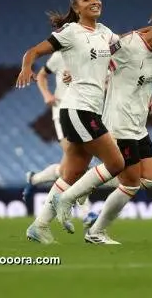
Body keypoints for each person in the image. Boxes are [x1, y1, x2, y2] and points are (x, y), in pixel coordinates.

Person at [53, 13, 152, 244]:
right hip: (120, 121)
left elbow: (141, 75)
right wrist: (75, 72)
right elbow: (97, 54)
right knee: (131, 183)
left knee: (151, 180)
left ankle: (86, 182)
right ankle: (88, 221)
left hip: (139, 124)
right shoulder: (128, 44)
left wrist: (149, 94)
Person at [16, 0, 125, 244]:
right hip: (77, 109)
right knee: (117, 163)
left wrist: (148, 34)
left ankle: (39, 226)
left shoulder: (104, 32)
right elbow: (34, 51)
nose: (95, 1)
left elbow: (125, 47)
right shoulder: (71, 32)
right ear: (76, 8)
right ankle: (68, 201)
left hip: (88, 109)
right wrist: (26, 67)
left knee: (73, 172)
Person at [22, 53, 91, 217]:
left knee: (67, 168)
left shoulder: (90, 52)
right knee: (77, 162)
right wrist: (46, 95)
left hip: (83, 113)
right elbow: (42, 75)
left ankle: (35, 179)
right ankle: (86, 213)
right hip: (62, 113)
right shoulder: (59, 55)